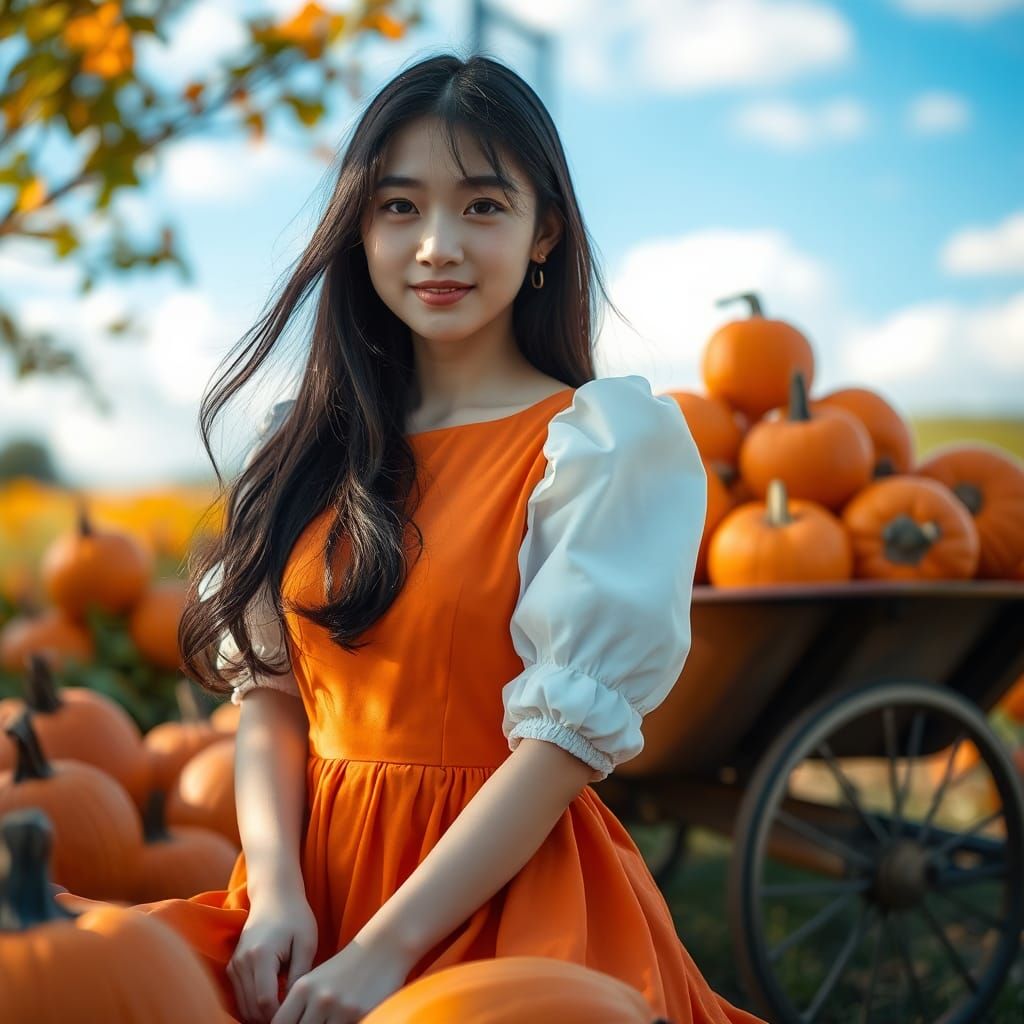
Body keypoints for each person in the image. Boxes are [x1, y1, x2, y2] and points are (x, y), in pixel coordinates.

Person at [56, 52, 766, 1024]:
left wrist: (383, 951)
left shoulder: (599, 446)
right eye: (399, 207)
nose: (437, 245)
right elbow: (271, 700)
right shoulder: (307, 448)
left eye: (482, 206)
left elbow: (557, 749)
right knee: (74, 977)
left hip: (505, 901)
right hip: (306, 897)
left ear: (545, 230)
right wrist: (276, 896)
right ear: (360, 227)